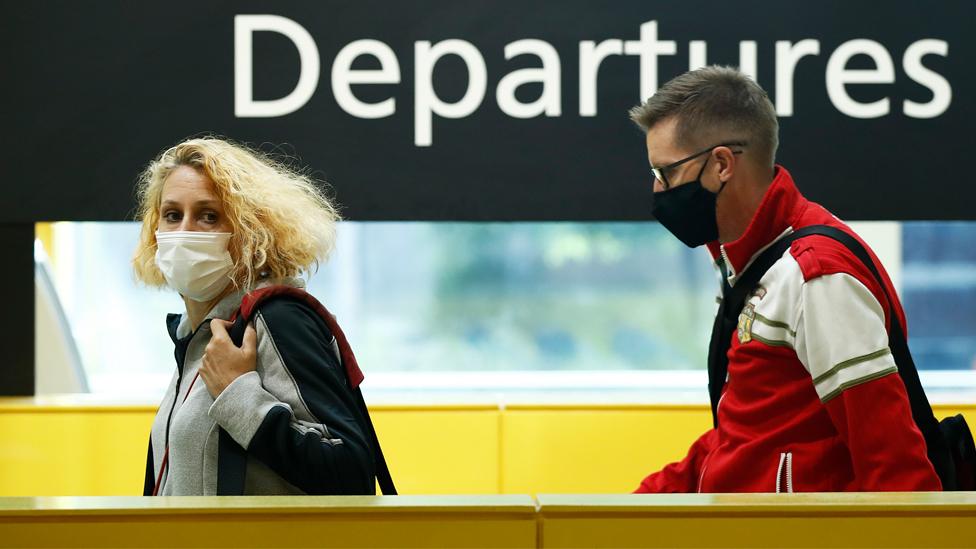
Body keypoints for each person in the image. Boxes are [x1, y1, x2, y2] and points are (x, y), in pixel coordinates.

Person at [629, 66, 941, 492]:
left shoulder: (817, 274)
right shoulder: (755, 258)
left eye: (666, 173)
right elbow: (745, 429)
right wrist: (637, 507)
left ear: (721, 164)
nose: (658, 190)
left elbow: (896, 469)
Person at [134, 137, 377, 495]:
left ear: (251, 232)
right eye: (172, 215)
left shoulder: (278, 321)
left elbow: (351, 471)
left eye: (208, 216)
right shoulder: (197, 336)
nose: (185, 230)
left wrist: (238, 394)